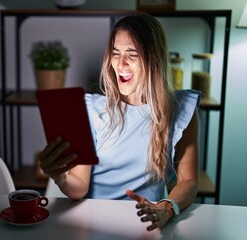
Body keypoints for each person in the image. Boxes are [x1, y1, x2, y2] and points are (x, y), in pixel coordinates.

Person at [39, 13, 200, 231]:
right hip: (93, 224)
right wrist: (59, 176)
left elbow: (188, 182)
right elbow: (79, 187)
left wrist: (167, 207)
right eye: (116, 53)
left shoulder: (181, 108)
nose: (121, 63)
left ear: (153, 59)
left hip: (146, 226)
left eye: (132, 55)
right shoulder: (91, 109)